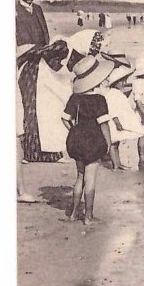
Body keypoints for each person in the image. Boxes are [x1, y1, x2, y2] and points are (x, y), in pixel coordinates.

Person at [62, 55, 116, 224]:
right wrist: (108, 143)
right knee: (90, 179)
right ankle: (88, 216)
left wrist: (74, 130)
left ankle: (73, 213)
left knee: (80, 177)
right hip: (93, 142)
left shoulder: (75, 98)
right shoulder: (99, 100)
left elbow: (64, 118)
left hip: (76, 140)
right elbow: (104, 125)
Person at [16, 39, 74, 162]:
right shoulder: (46, 65)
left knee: (31, 120)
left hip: (30, 92)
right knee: (44, 124)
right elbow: (61, 90)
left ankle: (28, 154)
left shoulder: (34, 61)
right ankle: (47, 155)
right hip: (38, 96)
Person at [99, 61, 144, 170]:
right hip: (114, 122)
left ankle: (118, 163)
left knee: (116, 143)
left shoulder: (117, 93)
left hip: (117, 121)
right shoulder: (113, 94)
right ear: (116, 83)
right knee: (114, 144)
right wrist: (117, 122)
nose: (124, 83)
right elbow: (112, 109)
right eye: (122, 81)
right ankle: (115, 164)